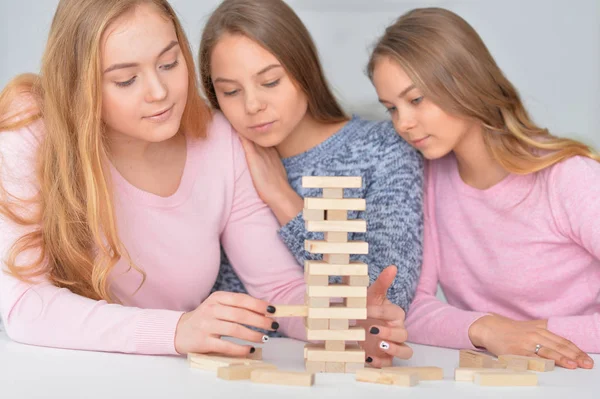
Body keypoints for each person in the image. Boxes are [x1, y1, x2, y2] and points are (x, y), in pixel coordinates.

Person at [0, 0, 403, 363]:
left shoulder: (220, 140)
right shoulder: (32, 127)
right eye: (126, 80)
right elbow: (23, 305)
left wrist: (344, 325)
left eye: (169, 63)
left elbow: (277, 291)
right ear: (79, 86)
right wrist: (176, 330)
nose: (159, 92)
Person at [367, 7, 599, 369]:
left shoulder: (569, 179)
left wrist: (531, 333)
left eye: (415, 100)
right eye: (391, 109)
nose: (404, 123)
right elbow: (409, 307)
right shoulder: (427, 179)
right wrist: (489, 330)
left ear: (464, 82)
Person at [199, 0, 424, 347]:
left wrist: (283, 198)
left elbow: (385, 295)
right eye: (230, 91)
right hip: (229, 365)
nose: (252, 105)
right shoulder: (222, 156)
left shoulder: (382, 150)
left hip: (337, 368)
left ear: (305, 70)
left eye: (270, 82)